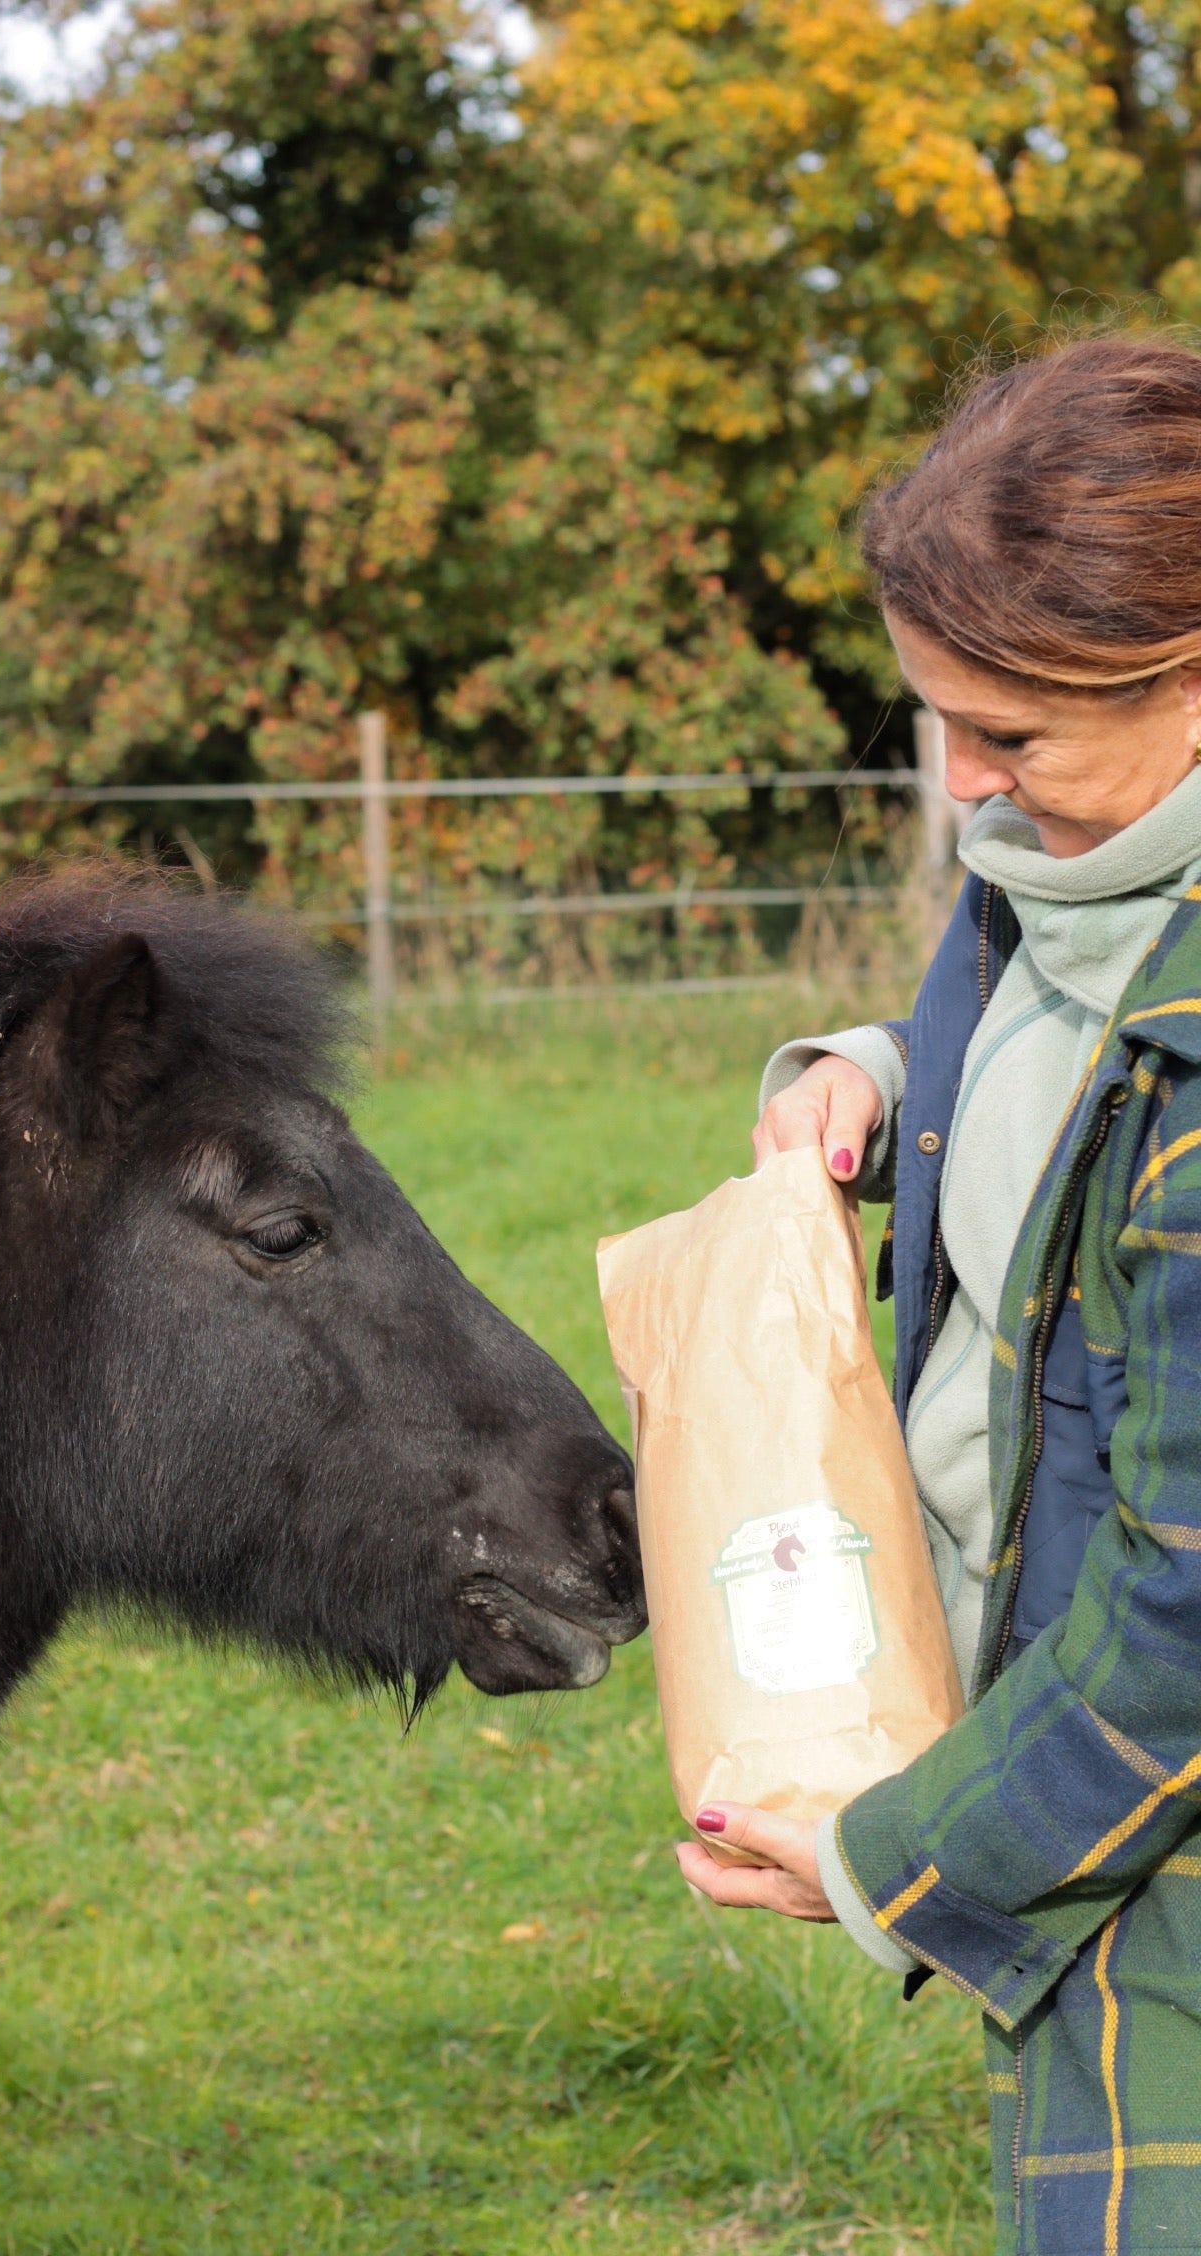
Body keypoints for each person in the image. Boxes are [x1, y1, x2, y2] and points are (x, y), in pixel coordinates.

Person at [676, 332, 1201, 2256]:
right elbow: (1069, 1058)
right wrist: (887, 1083)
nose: (966, 782)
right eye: (942, 721)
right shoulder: (1064, 866)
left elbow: (1184, 1617)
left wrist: (896, 1859)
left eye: (1014, 735)